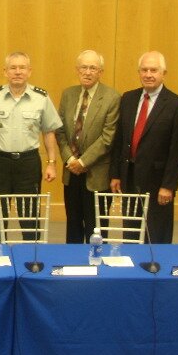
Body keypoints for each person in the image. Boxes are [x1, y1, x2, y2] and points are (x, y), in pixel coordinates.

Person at [0, 52, 62, 243]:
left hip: (28, 163)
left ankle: (31, 259)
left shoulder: (41, 97)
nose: (17, 72)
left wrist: (51, 163)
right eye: (13, 68)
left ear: (29, 71)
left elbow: (49, 132)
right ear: (5, 71)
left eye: (22, 67)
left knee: (30, 216)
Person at [110, 51, 178, 244]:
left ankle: (157, 269)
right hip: (129, 178)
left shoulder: (177, 104)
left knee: (156, 233)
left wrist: (168, 185)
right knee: (130, 231)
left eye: (153, 70)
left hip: (158, 183)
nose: (148, 74)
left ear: (164, 73)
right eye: (144, 70)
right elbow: (119, 139)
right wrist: (115, 174)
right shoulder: (128, 98)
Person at [56, 50, 120, 244]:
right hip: (71, 172)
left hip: (97, 173)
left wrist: (83, 161)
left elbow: (108, 138)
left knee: (96, 229)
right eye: (84, 67)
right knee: (73, 225)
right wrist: (70, 159)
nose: (87, 72)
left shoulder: (112, 97)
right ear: (77, 70)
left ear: (100, 72)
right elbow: (59, 131)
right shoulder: (68, 94)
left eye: (93, 68)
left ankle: (97, 268)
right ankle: (72, 266)